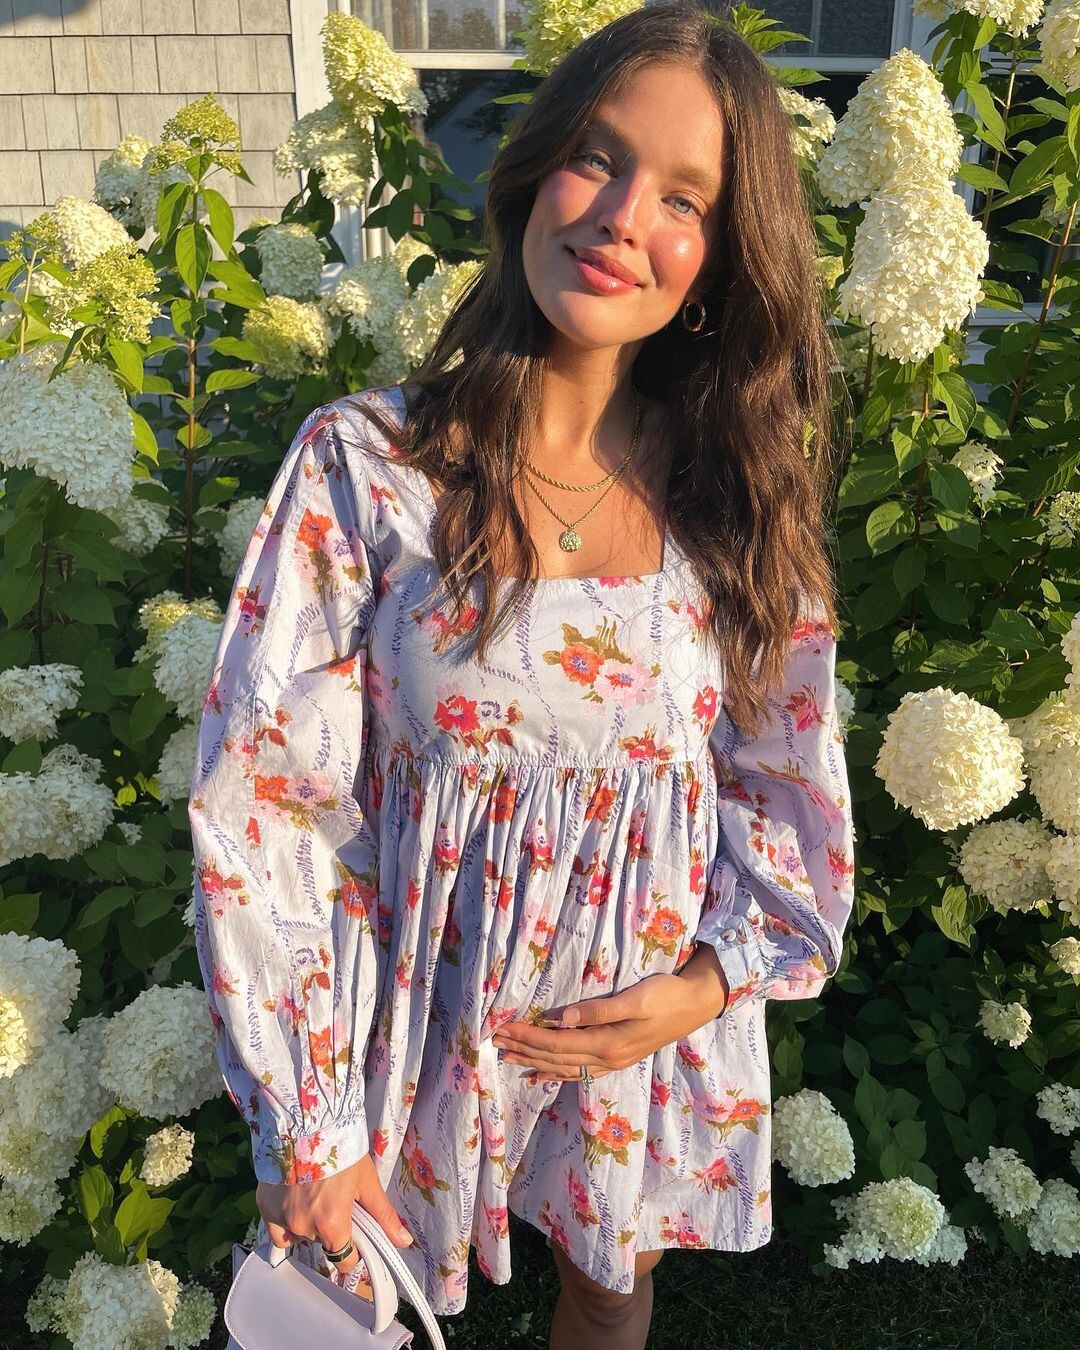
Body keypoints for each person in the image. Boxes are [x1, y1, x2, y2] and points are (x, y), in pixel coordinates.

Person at [187, 4, 856, 1347]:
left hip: (629, 1040)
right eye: (598, 158)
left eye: (684, 198)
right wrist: (308, 1117)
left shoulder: (734, 500)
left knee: (609, 1292)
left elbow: (787, 787)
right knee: (350, 1307)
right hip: (396, 1029)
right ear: (536, 170)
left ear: (718, 261)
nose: (621, 217)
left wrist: (698, 990)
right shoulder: (369, 469)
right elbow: (266, 800)